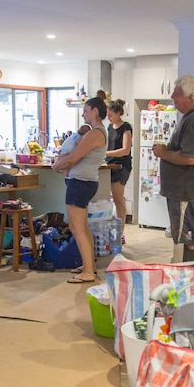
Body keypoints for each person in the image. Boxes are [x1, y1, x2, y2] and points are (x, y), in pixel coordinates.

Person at [152, 75, 194, 263]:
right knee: (190, 237)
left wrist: (163, 153)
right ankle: (193, 283)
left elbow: (190, 157)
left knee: (192, 238)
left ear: (190, 96)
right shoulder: (192, 118)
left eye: (176, 93)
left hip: (187, 193)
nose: (172, 96)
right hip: (188, 192)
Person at [51, 97, 108, 284]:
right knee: (82, 227)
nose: (83, 113)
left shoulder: (95, 133)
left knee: (76, 228)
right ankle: (88, 265)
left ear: (95, 111)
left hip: (81, 182)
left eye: (85, 110)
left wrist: (57, 165)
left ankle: (89, 272)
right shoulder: (95, 133)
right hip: (83, 182)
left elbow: (73, 158)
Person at [105, 99, 132, 241]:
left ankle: (120, 233)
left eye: (110, 115)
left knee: (118, 199)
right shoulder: (110, 127)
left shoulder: (126, 127)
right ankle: (112, 231)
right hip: (110, 164)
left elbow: (125, 150)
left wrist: (107, 153)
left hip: (121, 166)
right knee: (112, 198)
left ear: (118, 113)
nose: (108, 118)